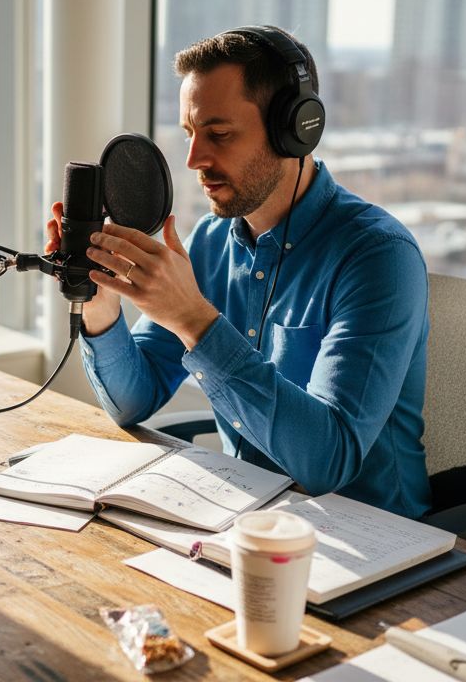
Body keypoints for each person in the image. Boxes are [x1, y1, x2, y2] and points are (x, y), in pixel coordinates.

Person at [44, 26, 431, 518]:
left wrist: (194, 321)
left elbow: (327, 464)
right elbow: (133, 400)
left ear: (294, 129)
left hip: (372, 539)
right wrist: (102, 304)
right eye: (190, 135)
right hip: (245, 519)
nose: (193, 160)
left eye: (219, 135)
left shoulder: (377, 257)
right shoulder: (209, 241)